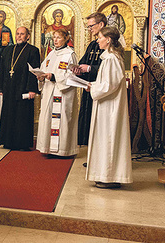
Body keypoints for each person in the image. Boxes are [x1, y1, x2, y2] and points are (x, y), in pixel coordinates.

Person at [85, 26, 132, 188]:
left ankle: (110, 176)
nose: (97, 40)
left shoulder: (112, 58)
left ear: (109, 39)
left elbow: (110, 85)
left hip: (110, 107)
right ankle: (105, 174)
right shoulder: (110, 57)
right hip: (107, 104)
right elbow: (107, 82)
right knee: (105, 139)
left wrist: (94, 88)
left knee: (109, 139)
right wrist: (93, 84)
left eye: (100, 37)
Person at [0, 26, 40, 150]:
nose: (19, 36)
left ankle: (22, 143)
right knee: (8, 113)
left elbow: (34, 71)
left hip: (24, 87)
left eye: (22, 34)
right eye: (17, 34)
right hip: (9, 87)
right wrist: (0, 87)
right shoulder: (8, 50)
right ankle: (7, 141)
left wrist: (32, 89)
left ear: (28, 36)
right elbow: (3, 69)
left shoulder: (33, 50)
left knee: (22, 115)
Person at [36, 28, 78, 156]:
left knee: (62, 120)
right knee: (47, 118)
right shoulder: (51, 54)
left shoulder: (70, 55)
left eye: (58, 37)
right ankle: (47, 148)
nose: (55, 40)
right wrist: (41, 76)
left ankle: (63, 150)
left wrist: (54, 77)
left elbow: (73, 76)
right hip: (49, 91)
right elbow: (43, 68)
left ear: (66, 39)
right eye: (54, 37)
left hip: (62, 93)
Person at [74, 12, 107, 147]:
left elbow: (108, 68)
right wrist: (77, 70)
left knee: (99, 123)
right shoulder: (93, 45)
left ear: (101, 24)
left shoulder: (111, 44)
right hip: (89, 89)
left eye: (91, 26)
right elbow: (83, 62)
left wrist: (89, 69)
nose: (89, 29)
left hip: (102, 91)